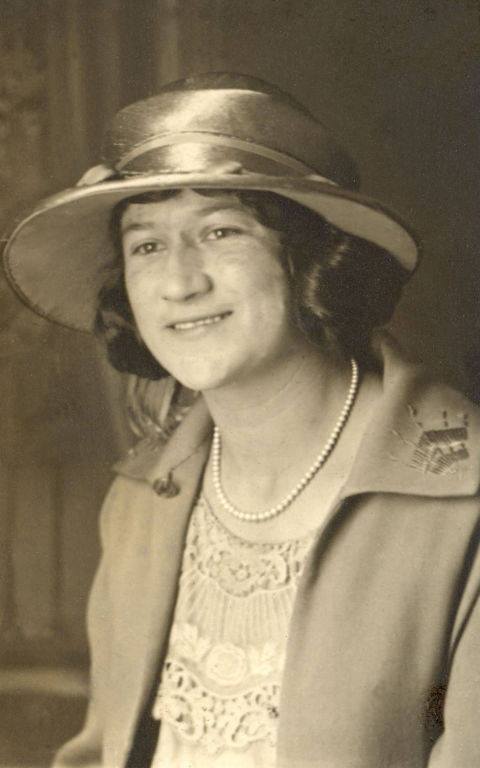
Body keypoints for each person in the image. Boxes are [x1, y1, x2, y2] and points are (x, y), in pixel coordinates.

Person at [4, 73, 480, 768]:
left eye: (222, 231)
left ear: (310, 257)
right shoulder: (142, 499)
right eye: (146, 245)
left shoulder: (462, 507)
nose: (180, 283)